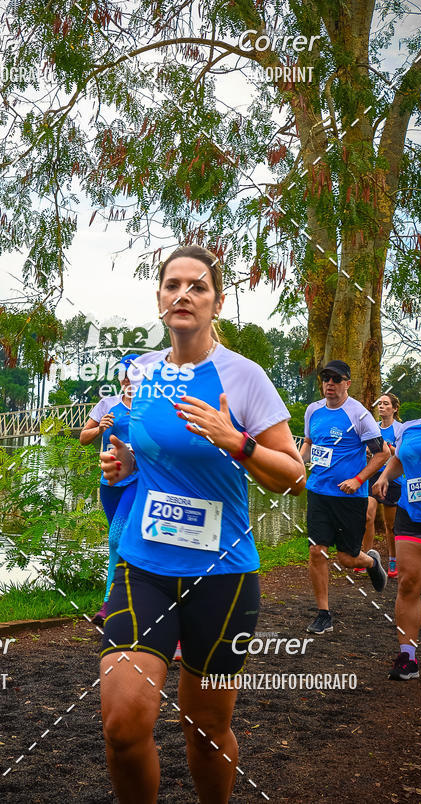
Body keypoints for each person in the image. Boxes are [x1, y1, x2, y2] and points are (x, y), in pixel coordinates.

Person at [99, 245, 306, 803]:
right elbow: (145, 452)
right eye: (173, 285)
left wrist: (236, 440)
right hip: (144, 565)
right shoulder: (139, 372)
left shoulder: (245, 377)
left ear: (217, 302)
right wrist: (126, 464)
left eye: (198, 286)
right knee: (122, 724)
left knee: (206, 730)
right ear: (159, 299)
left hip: (222, 576)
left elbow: (293, 477)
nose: (184, 295)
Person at [300, 361, 390, 635]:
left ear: (347, 383)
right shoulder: (313, 410)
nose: (330, 383)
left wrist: (358, 480)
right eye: (326, 378)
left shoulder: (359, 415)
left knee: (347, 558)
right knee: (317, 551)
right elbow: (308, 443)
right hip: (318, 492)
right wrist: (296, 465)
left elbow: (383, 453)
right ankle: (323, 614)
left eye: (336, 379)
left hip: (349, 497)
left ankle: (371, 562)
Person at [80, 354, 139, 625]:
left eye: (132, 376)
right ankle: (123, 600)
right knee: (122, 541)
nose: (127, 381)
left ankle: (110, 602)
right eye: (123, 376)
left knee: (116, 537)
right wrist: (99, 428)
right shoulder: (107, 404)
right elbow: (83, 437)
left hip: (137, 480)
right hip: (109, 483)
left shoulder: (149, 407)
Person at [373, 381, 421, 680]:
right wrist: (385, 477)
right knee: (408, 583)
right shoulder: (410, 429)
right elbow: (399, 459)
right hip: (412, 514)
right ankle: (408, 657)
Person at [357, 393, 402, 577]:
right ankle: (366, 558)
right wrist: (369, 451)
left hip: (392, 478)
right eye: (380, 404)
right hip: (373, 475)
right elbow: (366, 448)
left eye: (386, 404)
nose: (381, 406)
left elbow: (402, 454)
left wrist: (386, 447)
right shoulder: (373, 428)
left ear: (395, 408)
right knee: (368, 516)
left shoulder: (399, 429)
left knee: (390, 525)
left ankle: (393, 560)